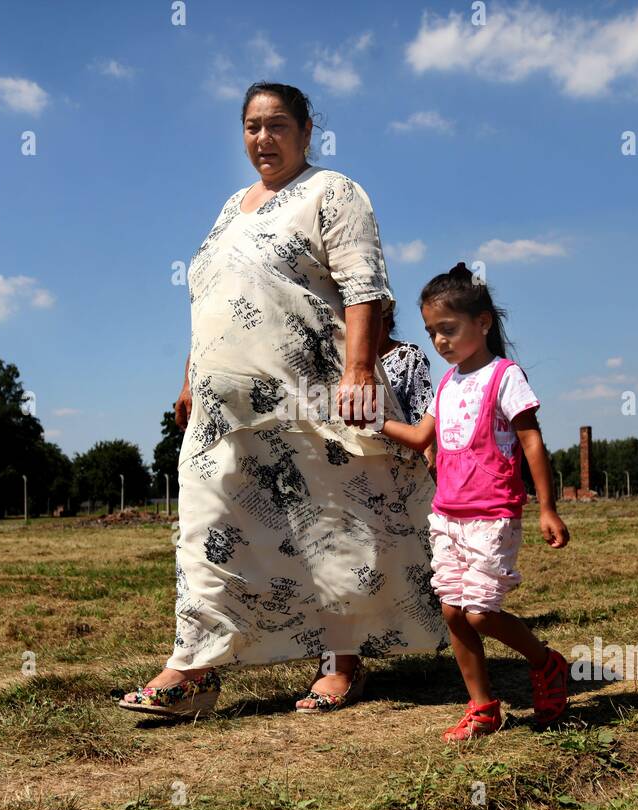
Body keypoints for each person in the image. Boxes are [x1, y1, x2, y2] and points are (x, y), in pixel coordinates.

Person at [118, 83, 444, 718]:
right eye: (250, 127)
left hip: (309, 398)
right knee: (205, 529)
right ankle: (194, 670)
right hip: (223, 410)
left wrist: (357, 371)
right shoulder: (228, 209)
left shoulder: (333, 191)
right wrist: (191, 378)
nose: (262, 138)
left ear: (306, 130)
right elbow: (208, 299)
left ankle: (342, 660)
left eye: (276, 125)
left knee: (331, 524)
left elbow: (365, 288)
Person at [381, 262, 571, 741]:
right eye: (431, 333)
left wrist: (546, 507)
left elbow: (532, 442)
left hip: (492, 516)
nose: (440, 341)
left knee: (481, 613)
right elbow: (421, 435)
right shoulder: (445, 385)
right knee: (451, 611)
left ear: (482, 322)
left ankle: (547, 664)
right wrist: (373, 423)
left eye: (448, 329)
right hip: (447, 517)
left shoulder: (504, 376)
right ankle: (483, 706)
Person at [378, 307, 436, 472]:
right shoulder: (347, 363)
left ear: (387, 321)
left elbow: (423, 410)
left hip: (403, 463)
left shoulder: (409, 355)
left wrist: (429, 452)